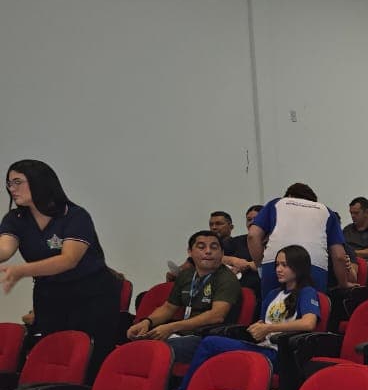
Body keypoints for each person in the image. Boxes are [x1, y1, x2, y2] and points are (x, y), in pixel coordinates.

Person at [1, 160, 120, 375]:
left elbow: (69, 260)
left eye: (18, 182)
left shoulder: (74, 215)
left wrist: (21, 271)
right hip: (49, 292)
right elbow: (5, 249)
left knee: (90, 356)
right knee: (54, 352)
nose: (12, 189)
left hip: (91, 293)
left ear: (39, 183)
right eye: (9, 183)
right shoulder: (15, 218)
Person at [168, 245, 322, 390]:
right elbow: (263, 324)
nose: (279, 269)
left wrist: (269, 328)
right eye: (277, 265)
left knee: (210, 344)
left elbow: (308, 323)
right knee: (213, 347)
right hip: (263, 348)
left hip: (281, 355)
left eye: (285, 265)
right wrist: (258, 328)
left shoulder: (307, 292)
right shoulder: (273, 294)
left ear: (299, 267)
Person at [127, 230, 242, 363]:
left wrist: (172, 327)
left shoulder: (227, 279)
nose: (208, 251)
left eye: (214, 247)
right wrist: (147, 322)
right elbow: (168, 307)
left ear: (222, 253)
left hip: (205, 337)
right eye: (201, 247)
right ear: (190, 252)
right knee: (136, 345)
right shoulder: (186, 275)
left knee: (155, 352)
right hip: (180, 333)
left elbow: (217, 315)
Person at [249, 183, 351, 297]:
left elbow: (252, 236)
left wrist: (261, 267)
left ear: (289, 196)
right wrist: (344, 284)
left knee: (271, 311)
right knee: (311, 309)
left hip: (275, 265)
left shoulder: (276, 203)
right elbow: (339, 256)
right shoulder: (326, 211)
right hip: (314, 267)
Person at [209, 210, 260, 294]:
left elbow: (267, 265)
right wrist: (233, 260)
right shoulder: (236, 241)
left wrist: (247, 265)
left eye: (218, 224)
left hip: (255, 289)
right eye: (249, 219)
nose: (214, 227)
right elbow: (212, 257)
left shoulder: (272, 242)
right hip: (225, 289)